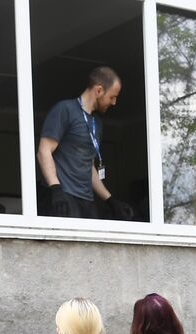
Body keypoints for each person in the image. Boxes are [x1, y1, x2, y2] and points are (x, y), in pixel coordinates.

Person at [37, 66, 133, 220]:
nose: (114, 102)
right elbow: (44, 151)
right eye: (112, 97)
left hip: (86, 201)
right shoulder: (65, 109)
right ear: (99, 90)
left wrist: (110, 201)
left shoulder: (97, 124)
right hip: (64, 196)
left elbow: (89, 166)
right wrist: (56, 189)